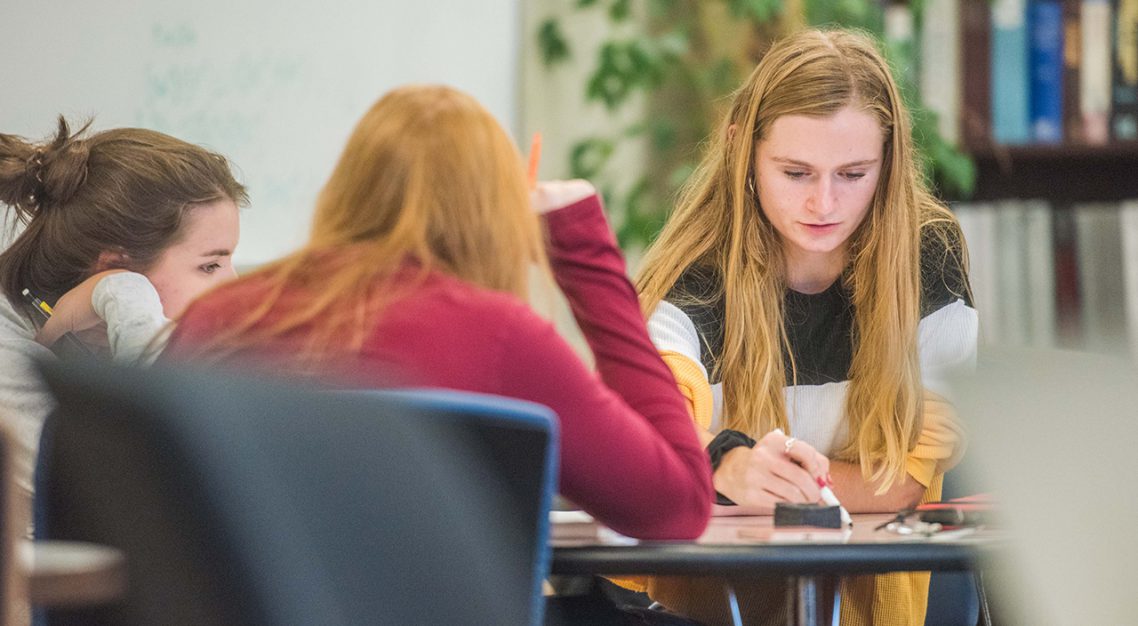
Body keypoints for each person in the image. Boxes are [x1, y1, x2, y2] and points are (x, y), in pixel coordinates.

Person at [162, 84, 720, 542]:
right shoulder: (501, 336)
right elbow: (676, 507)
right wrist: (586, 253)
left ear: (347, 188)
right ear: (496, 214)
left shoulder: (217, 316)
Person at [633, 28, 977, 625]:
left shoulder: (929, 255)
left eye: (853, 173)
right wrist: (727, 463)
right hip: (698, 604)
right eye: (796, 173)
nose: (825, 204)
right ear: (744, 151)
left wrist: (732, 480)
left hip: (874, 603)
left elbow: (905, 481)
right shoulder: (695, 269)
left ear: (889, 162)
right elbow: (648, 426)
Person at [0, 117, 246, 504]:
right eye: (210, 266)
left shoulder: (92, 331)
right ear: (112, 268)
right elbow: (153, 502)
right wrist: (125, 296)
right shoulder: (7, 363)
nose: (234, 287)